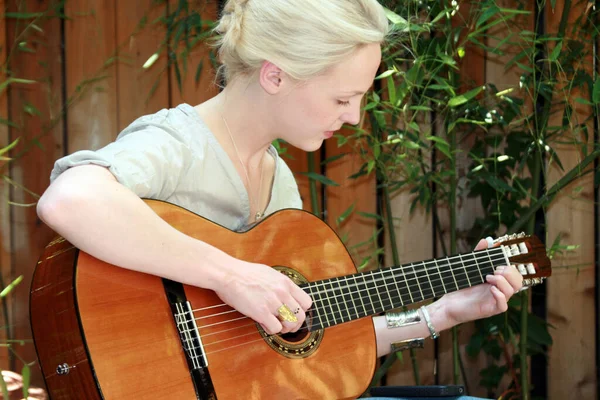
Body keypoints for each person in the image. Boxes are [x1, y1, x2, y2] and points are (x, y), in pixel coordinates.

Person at [36, 0, 523, 399]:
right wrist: (231, 275)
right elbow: (70, 199)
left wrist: (443, 314)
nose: (354, 117)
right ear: (275, 76)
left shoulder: (279, 179)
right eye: (341, 98)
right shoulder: (177, 143)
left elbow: (304, 340)